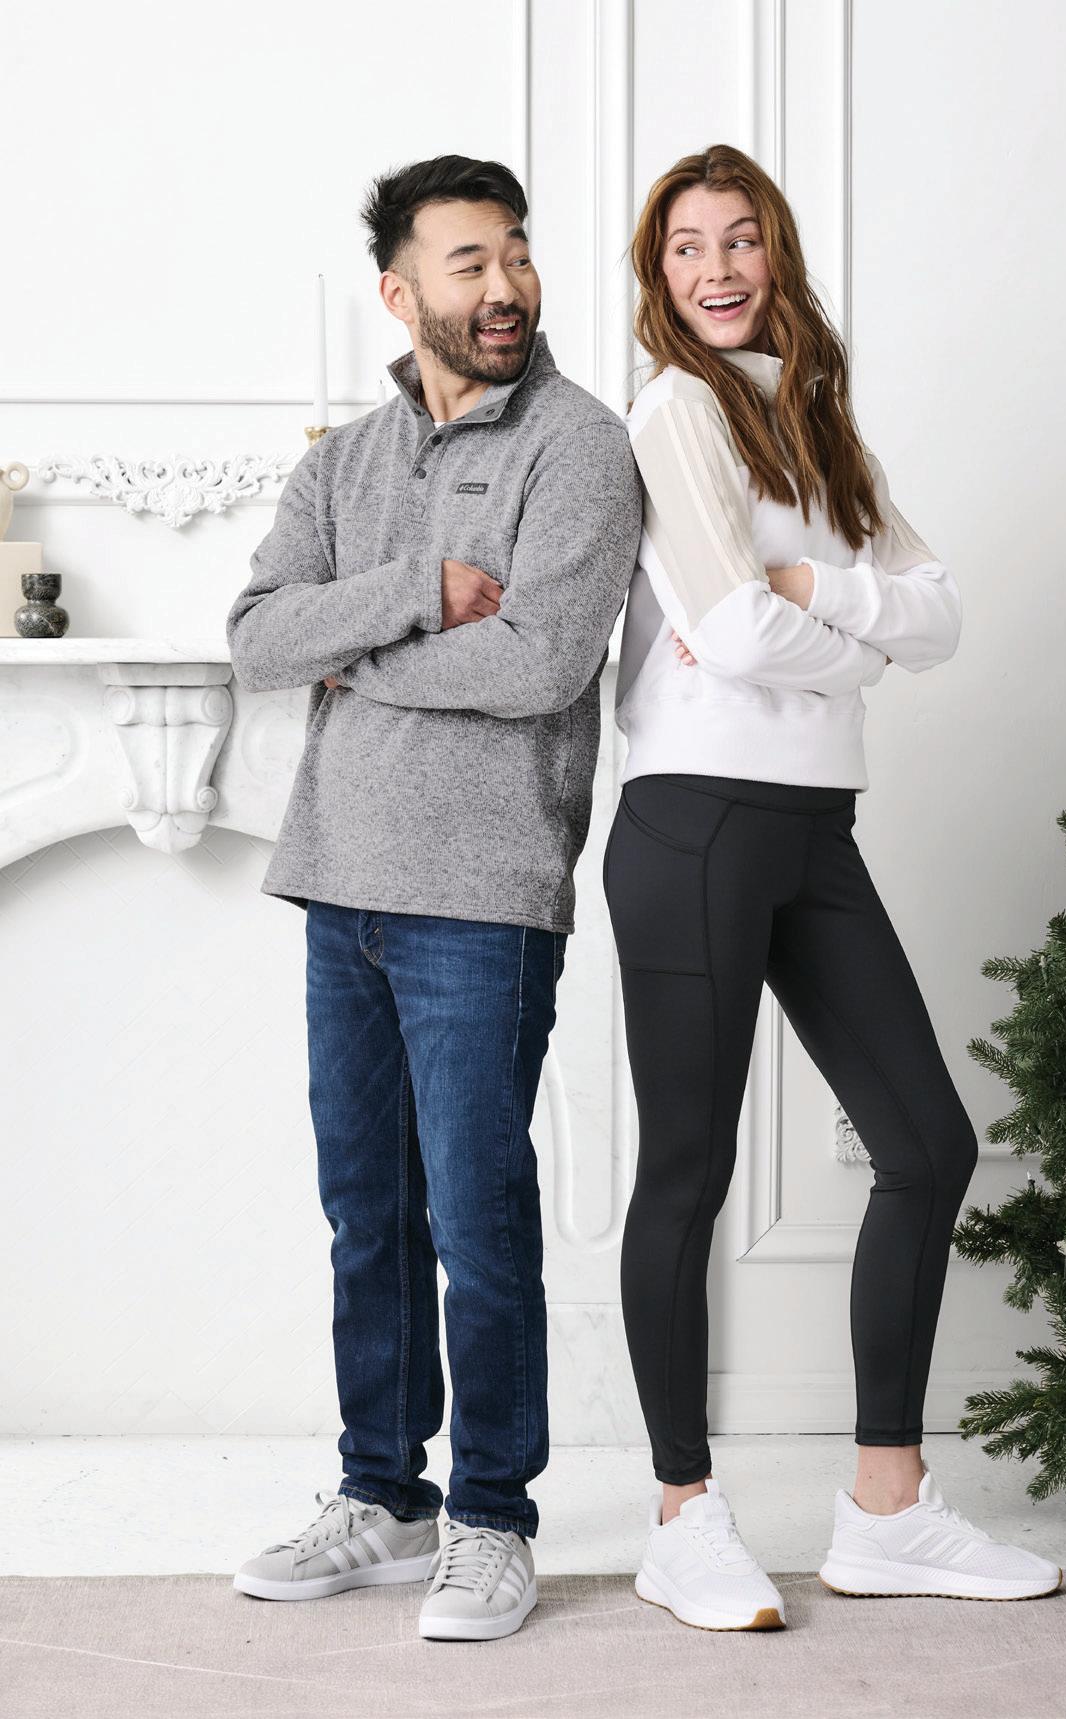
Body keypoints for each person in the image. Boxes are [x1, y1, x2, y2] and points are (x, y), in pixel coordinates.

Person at [604, 143, 1062, 1631]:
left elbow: (941, 611)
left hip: (812, 830)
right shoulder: (675, 411)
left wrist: (816, 596)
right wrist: (853, 644)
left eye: (741, 239)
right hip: (695, 824)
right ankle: (683, 1516)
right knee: (691, 1169)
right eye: (687, 247)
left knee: (927, 1146)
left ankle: (886, 1510)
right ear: (659, 275)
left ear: (779, 255)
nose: (718, 268)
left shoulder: (814, 421)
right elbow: (734, 630)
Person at [224, 154, 642, 1641]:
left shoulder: (580, 448)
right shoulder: (343, 462)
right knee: (368, 1214)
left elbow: (539, 663)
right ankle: (384, 1499)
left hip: (483, 895)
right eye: (471, 263)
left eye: (516, 254)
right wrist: (416, 592)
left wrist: (352, 655)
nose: (507, 285)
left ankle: (492, 1518)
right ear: (401, 295)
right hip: (339, 882)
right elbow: (257, 637)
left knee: (478, 1218)